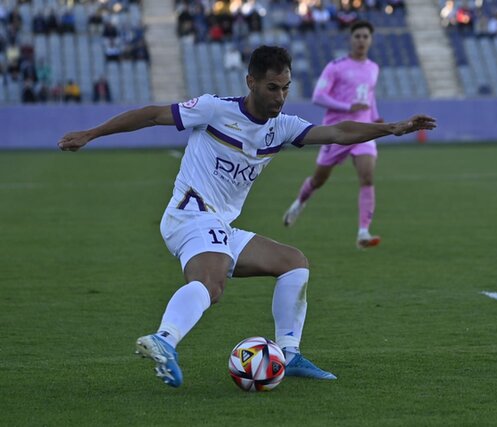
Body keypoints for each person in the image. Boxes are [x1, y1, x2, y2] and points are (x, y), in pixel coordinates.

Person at [58, 45, 436, 388]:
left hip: (219, 225)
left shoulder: (282, 126)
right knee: (213, 283)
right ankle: (164, 339)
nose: (281, 96)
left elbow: (337, 130)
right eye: (273, 87)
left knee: (294, 263)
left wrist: (391, 127)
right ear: (251, 82)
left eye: (286, 88)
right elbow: (153, 115)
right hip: (190, 216)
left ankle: (288, 353)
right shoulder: (214, 109)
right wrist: (92, 133)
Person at [282, 21, 383, 249]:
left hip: (364, 130)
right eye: (357, 36)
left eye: (365, 36)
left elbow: (370, 96)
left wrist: (375, 117)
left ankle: (363, 232)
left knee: (367, 176)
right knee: (319, 180)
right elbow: (318, 96)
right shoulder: (336, 66)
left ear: (370, 40)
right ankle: (300, 202)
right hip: (336, 132)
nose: (361, 40)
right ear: (350, 39)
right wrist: (348, 107)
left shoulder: (374, 68)